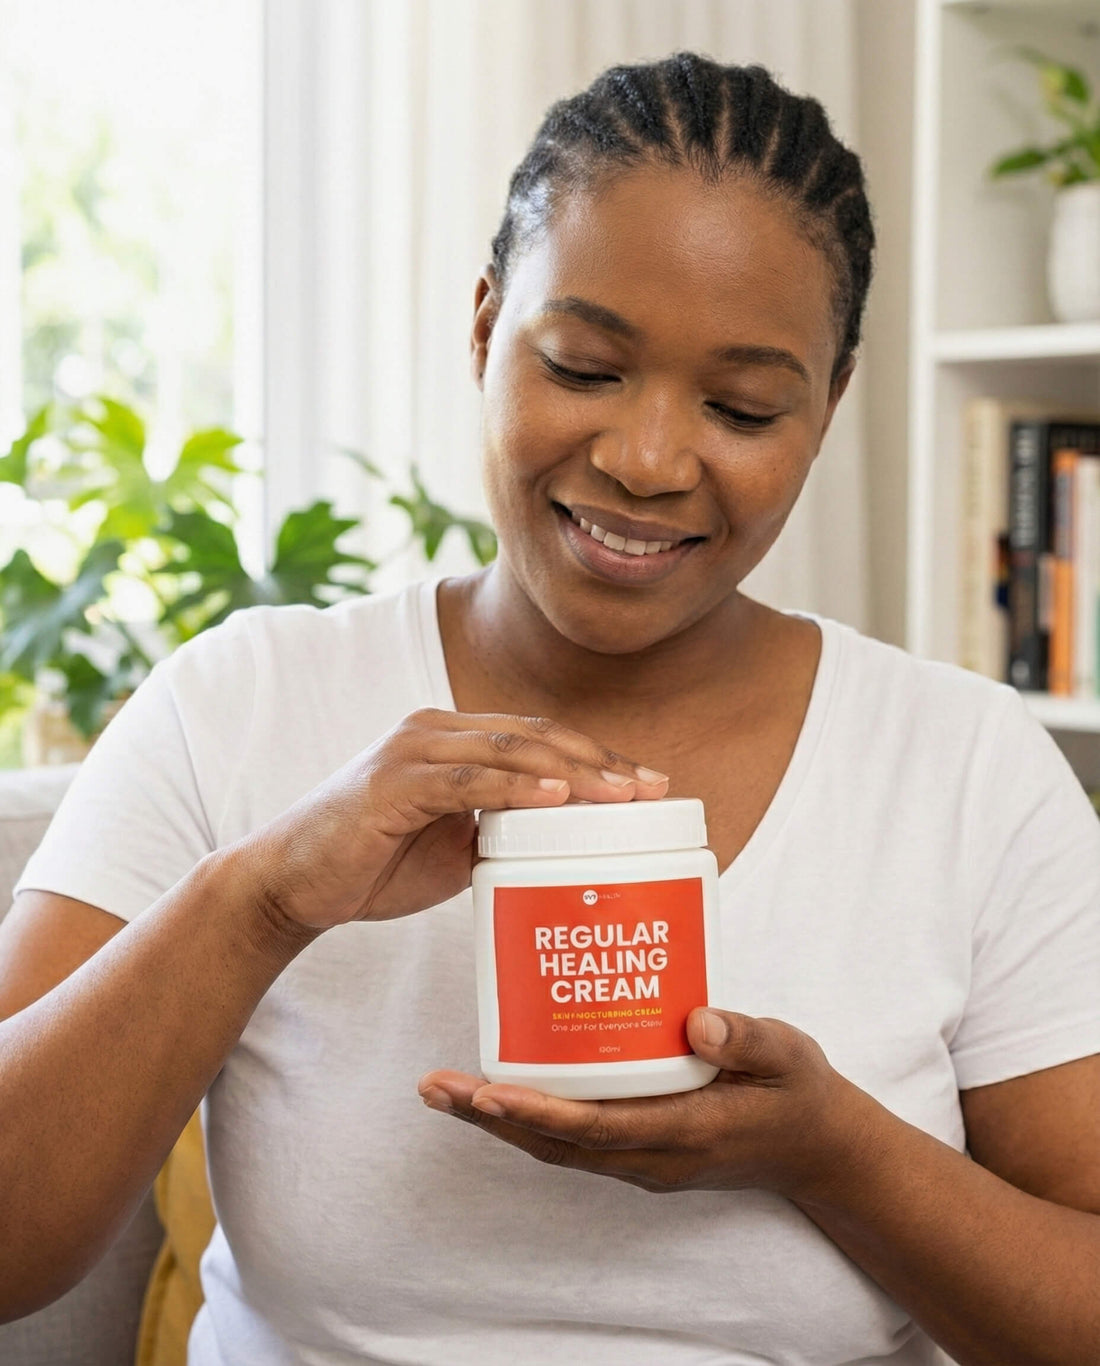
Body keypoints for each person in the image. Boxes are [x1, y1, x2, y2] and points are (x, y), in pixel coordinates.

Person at [1, 50, 1098, 1366]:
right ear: (482, 328)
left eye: (742, 404)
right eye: (583, 366)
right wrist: (267, 897)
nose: (645, 460)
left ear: (828, 406)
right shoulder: (239, 703)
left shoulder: (968, 768)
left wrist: (836, 1151)